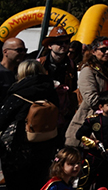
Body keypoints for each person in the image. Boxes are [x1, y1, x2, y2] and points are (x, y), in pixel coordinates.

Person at [0, 60, 64, 190]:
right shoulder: (50, 91)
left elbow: (2, 119)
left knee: (17, 184)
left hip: (21, 148)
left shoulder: (18, 93)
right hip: (47, 144)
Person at [64, 40, 108, 146]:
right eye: (103, 50)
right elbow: (92, 100)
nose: (107, 52)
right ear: (93, 51)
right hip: (90, 120)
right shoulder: (88, 70)